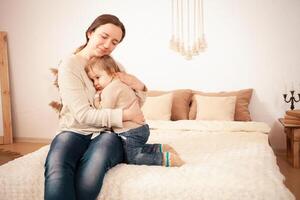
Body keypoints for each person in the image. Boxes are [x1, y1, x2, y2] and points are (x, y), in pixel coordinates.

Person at [44, 14, 146, 200]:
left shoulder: (115, 66)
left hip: (109, 134)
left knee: (88, 179)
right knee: (57, 167)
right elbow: (83, 114)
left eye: (115, 42)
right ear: (90, 33)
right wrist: (124, 114)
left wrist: (140, 87)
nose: (108, 45)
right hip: (73, 131)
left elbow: (132, 102)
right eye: (104, 36)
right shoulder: (70, 65)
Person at [85, 55, 185, 167]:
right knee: (136, 149)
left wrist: (96, 98)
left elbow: (103, 111)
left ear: (112, 72)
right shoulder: (122, 85)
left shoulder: (110, 89)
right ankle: (160, 148)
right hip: (138, 129)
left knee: (133, 157)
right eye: (92, 80)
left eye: (98, 77)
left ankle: (165, 159)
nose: (95, 83)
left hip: (130, 132)